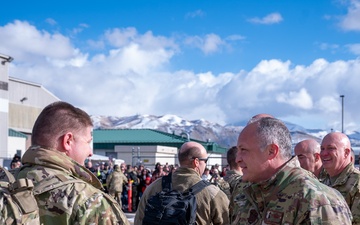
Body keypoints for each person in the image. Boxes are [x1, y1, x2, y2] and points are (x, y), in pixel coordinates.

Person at [16, 101, 129, 225]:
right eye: (87, 142)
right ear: (68, 141)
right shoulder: (87, 200)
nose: (90, 152)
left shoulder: (6, 182)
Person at [232, 117, 352, 224]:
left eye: (244, 150)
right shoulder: (251, 193)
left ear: (271, 151)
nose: (237, 159)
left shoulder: (317, 200)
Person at [135, 141, 229, 225]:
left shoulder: (153, 187)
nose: (205, 164)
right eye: (205, 160)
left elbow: (139, 220)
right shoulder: (212, 193)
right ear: (196, 162)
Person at [320, 132, 360, 223]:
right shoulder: (322, 181)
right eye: (322, 149)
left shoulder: (357, 182)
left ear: (346, 153)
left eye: (331, 148)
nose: (324, 153)